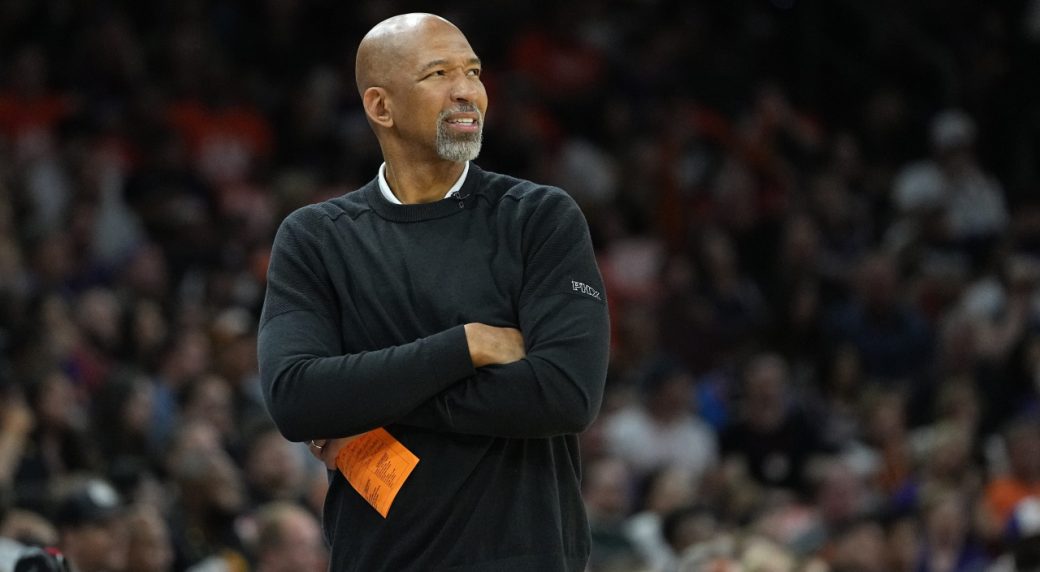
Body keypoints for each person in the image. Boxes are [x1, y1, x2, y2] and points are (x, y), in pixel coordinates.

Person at [257, 12, 610, 572]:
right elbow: (296, 399)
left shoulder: (539, 218)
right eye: (439, 74)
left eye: (474, 72)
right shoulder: (316, 237)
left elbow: (565, 394)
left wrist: (367, 400)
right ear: (381, 106)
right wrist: (465, 346)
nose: (467, 91)